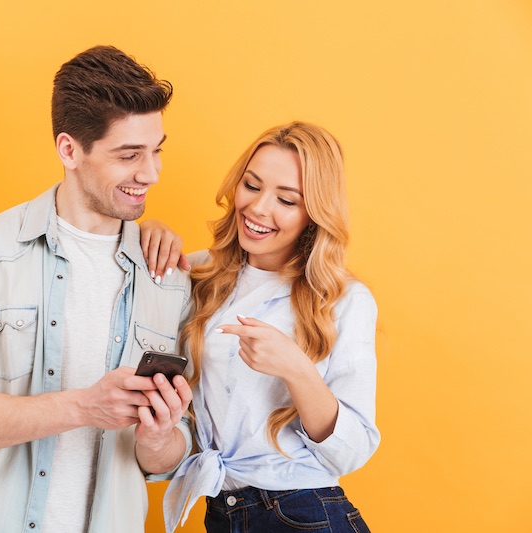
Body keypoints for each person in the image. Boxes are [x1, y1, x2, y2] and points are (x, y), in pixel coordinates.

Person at [0, 45, 194, 533]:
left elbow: (170, 459)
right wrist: (83, 406)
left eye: (157, 150)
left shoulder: (169, 275)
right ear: (69, 150)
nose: (151, 173)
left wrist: (159, 436)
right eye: (129, 155)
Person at [143, 121, 380, 532]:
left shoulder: (343, 300)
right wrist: (147, 232)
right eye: (252, 186)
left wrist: (296, 369)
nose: (258, 208)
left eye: (286, 200)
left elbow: (351, 452)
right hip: (222, 511)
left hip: (303, 514)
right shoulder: (198, 274)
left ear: (313, 214)